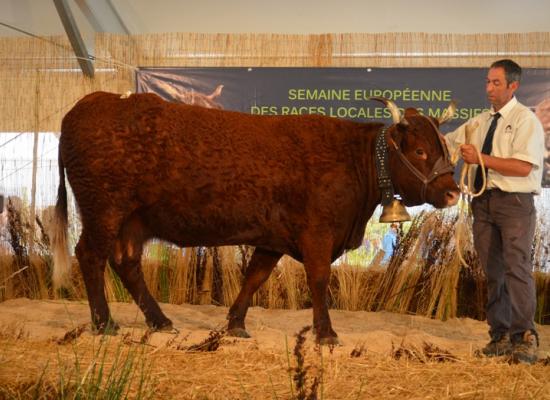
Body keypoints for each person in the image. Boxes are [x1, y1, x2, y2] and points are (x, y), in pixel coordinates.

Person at [445, 59, 545, 364]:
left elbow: (524, 166)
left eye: (496, 83)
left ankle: (524, 336)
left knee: (516, 268)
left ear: (513, 86)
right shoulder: (480, 122)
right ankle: (499, 335)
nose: (489, 88)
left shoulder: (526, 121)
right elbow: (447, 142)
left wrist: (481, 158)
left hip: (514, 204)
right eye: (487, 82)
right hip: (484, 203)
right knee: (493, 271)